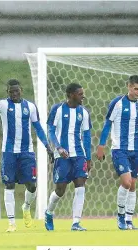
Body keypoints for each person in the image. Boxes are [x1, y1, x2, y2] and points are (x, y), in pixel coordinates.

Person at [0, 78, 54, 232]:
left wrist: (47, 146)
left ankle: (26, 207)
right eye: (11, 91)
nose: (14, 93)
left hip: (26, 152)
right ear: (7, 92)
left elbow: (38, 128)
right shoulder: (3, 105)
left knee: (32, 186)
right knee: (9, 185)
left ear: (21, 89)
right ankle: (12, 223)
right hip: (9, 153)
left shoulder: (30, 106)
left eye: (17, 90)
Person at [96, 75, 138, 230]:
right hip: (119, 150)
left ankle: (129, 220)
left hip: (135, 151)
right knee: (126, 182)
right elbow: (107, 125)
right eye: (136, 89)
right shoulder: (117, 103)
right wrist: (101, 145)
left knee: (133, 185)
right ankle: (120, 216)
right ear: (129, 86)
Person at [45, 83, 92, 231]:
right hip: (62, 156)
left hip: (79, 154)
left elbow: (87, 135)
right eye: (79, 94)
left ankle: (76, 223)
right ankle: (49, 212)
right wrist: (58, 147)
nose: (82, 96)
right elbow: (51, 131)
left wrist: (88, 158)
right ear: (71, 95)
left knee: (80, 186)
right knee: (60, 190)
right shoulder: (57, 109)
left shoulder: (83, 112)